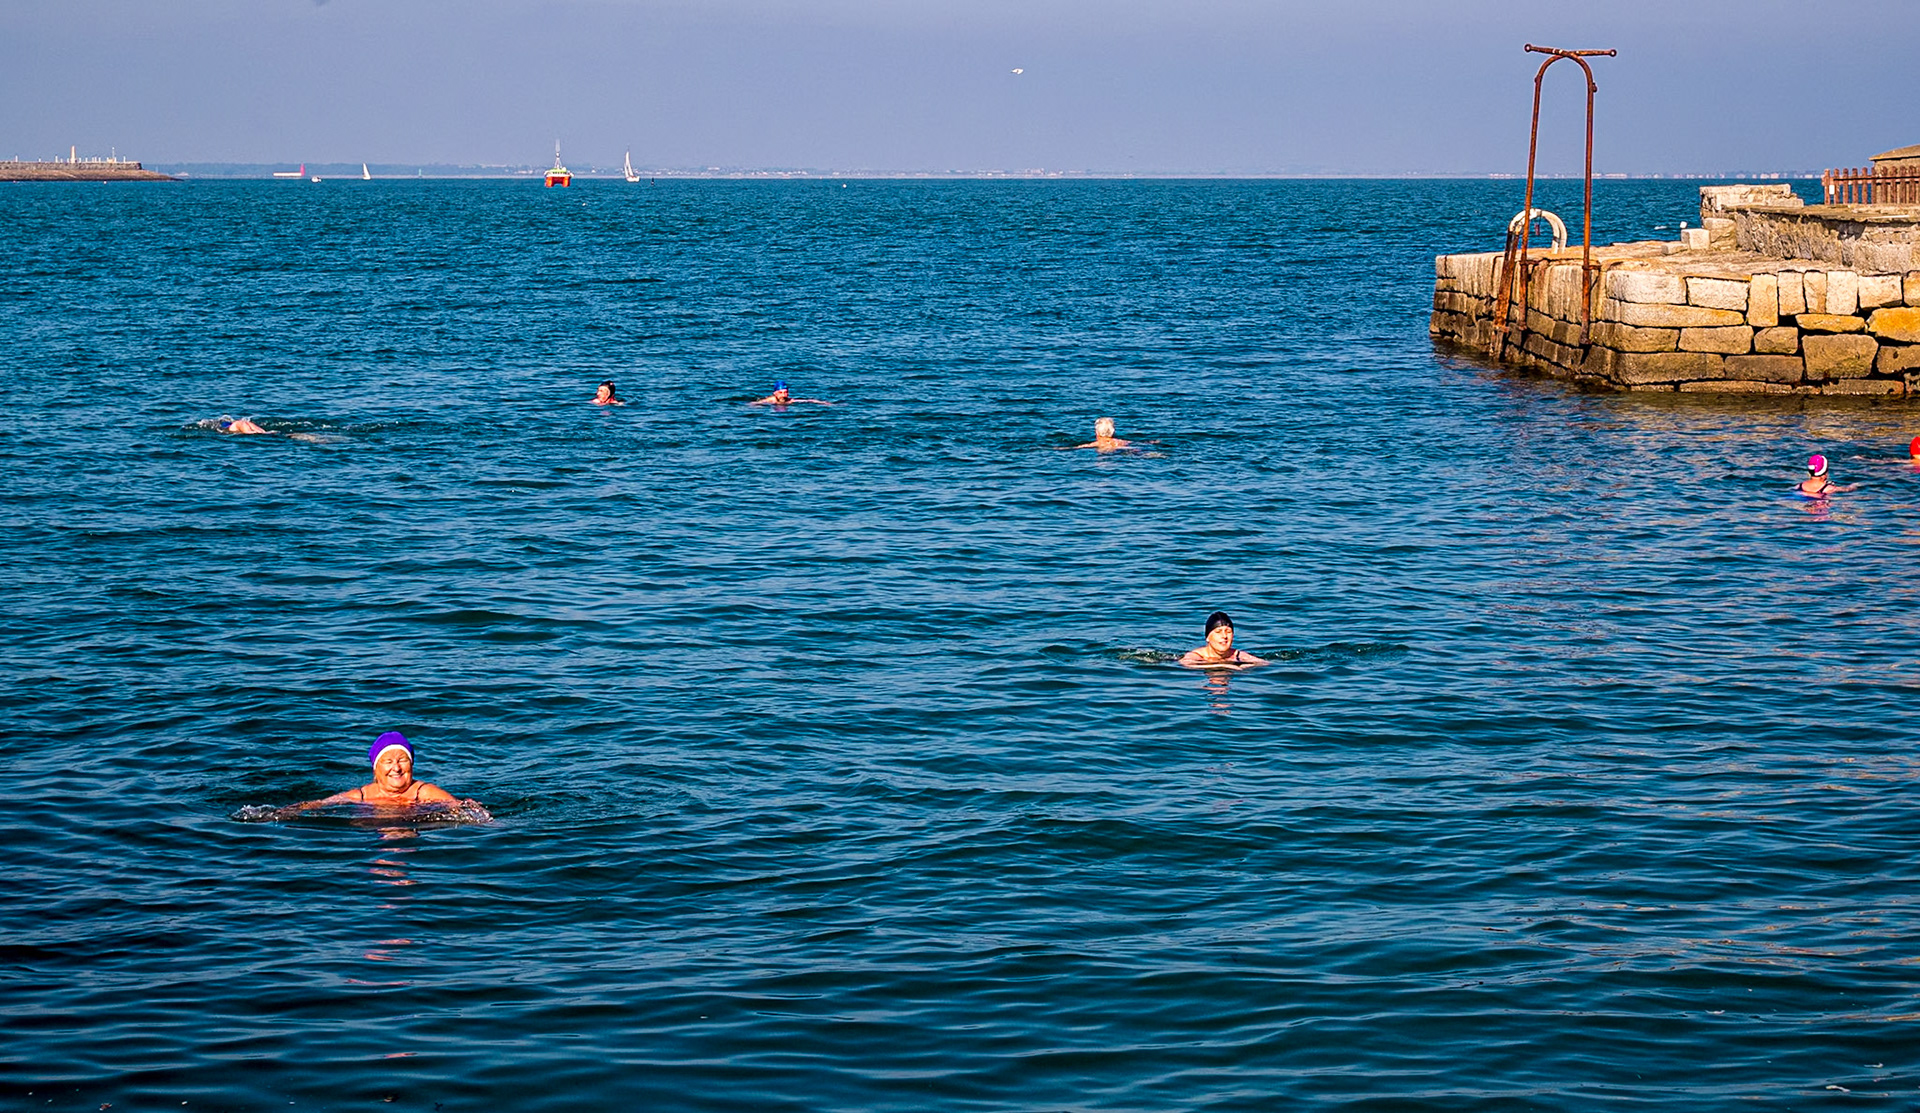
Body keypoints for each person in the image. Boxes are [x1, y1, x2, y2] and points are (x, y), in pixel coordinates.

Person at [284, 732, 464, 811]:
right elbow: (319, 805)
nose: (396, 768)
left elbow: (462, 808)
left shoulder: (423, 792)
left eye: (402, 760)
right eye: (388, 761)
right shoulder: (361, 796)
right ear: (376, 768)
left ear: (412, 765)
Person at [1179, 611, 1266, 669]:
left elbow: (1264, 664)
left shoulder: (1237, 655)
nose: (1224, 636)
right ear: (1207, 637)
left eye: (1228, 631)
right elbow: (1185, 663)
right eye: (1218, 632)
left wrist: (1244, 666)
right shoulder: (1197, 655)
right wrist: (1224, 665)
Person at [750, 381, 830, 407]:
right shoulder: (770, 400)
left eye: (786, 392)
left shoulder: (790, 400)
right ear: (775, 393)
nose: (784, 395)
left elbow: (806, 401)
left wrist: (822, 402)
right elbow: (753, 404)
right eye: (781, 393)